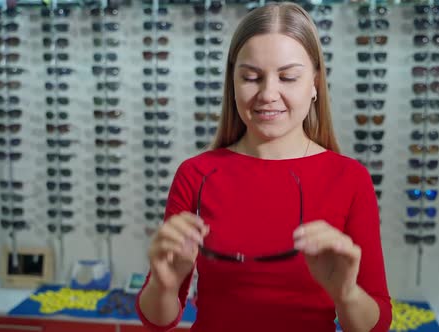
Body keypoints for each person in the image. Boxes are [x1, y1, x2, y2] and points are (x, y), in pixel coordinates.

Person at [136, 2, 391, 331]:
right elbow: (159, 319)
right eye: (251, 77)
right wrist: (164, 284)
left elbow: (376, 323)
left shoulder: (349, 178)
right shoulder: (196, 174)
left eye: (288, 77)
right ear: (232, 81)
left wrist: (346, 295)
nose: (268, 93)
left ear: (314, 83)